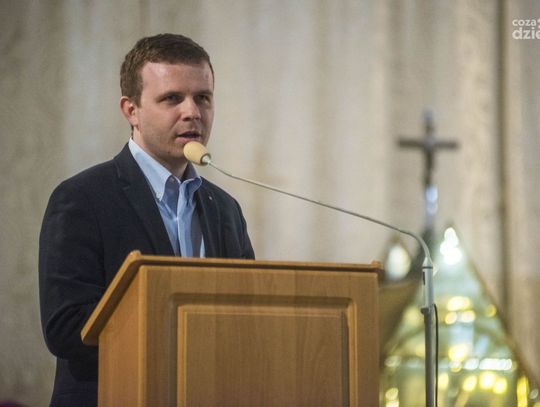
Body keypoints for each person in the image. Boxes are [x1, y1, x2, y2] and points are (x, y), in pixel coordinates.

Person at [39, 33, 255, 406]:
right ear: (131, 110)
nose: (192, 112)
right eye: (172, 98)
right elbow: (66, 326)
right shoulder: (81, 198)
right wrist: (181, 325)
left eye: (203, 98)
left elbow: (249, 313)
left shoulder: (225, 209)